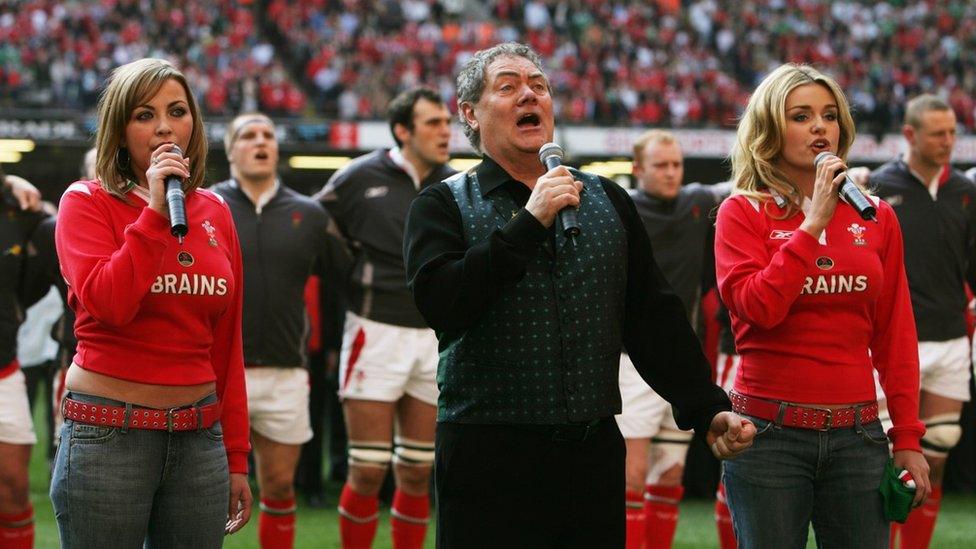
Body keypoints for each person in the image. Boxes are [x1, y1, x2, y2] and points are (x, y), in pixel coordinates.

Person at [404, 42, 753, 548]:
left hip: (591, 455)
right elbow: (443, 305)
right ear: (470, 114)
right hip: (488, 456)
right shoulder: (441, 204)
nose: (530, 94)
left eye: (539, 86)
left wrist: (705, 407)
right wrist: (528, 224)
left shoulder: (607, 198)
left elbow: (651, 316)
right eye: (508, 87)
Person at [714, 63, 930, 548]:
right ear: (769, 127)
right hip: (767, 435)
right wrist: (811, 227)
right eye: (801, 115)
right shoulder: (740, 212)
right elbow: (759, 308)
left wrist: (908, 437)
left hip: (860, 436)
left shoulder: (877, 217)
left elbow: (895, 334)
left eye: (829, 115)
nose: (819, 127)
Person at [50, 58, 252, 547]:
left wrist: (237, 455)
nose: (164, 126)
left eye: (177, 111)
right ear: (119, 130)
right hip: (107, 435)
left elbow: (227, 342)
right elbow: (109, 303)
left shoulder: (216, 210)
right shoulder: (84, 201)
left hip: (199, 440)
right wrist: (156, 213)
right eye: (144, 114)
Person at [314, 86, 455, 549]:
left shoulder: (455, 184)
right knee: (368, 469)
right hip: (373, 333)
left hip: (435, 339)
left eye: (446, 122)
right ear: (402, 130)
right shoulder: (359, 175)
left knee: (417, 472)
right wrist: (351, 270)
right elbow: (315, 222)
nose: (445, 130)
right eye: (433, 122)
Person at [212, 112, 345, 549]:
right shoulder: (205, 207)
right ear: (231, 150)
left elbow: (346, 275)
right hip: (216, 373)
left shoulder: (309, 214)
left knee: (280, 487)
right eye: (248, 135)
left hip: (287, 370)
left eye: (267, 134)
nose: (260, 141)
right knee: (204, 494)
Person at [865, 95, 976, 548]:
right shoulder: (874, 187)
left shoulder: (966, 193)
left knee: (939, 450)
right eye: (937, 133)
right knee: (888, 460)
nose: (948, 141)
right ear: (909, 135)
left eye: (952, 132)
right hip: (895, 341)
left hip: (951, 337)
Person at [616, 129, 728, 549]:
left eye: (676, 164)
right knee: (630, 478)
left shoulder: (697, 203)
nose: (670, 173)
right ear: (638, 169)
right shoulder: (620, 207)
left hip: (681, 362)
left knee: (669, 477)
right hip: (629, 363)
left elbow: (754, 182)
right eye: (660, 165)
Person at [0, 168, 45, 549]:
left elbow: (54, 225)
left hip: (3, 372)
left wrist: (13, 181)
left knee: (14, 491)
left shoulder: (18, 209)